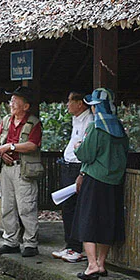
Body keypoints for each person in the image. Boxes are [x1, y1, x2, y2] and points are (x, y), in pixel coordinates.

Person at [72, 88, 129, 280]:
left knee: (87, 221)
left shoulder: (96, 128)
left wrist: (78, 147)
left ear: (98, 107)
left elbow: (86, 155)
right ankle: (102, 264)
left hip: (95, 180)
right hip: (114, 182)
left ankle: (91, 265)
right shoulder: (120, 129)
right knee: (107, 222)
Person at [0, 86, 43, 257]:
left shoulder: (33, 122)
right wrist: (1, 150)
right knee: (7, 206)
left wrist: (11, 146)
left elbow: (33, 145)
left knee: (26, 207)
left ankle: (30, 243)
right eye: (11, 100)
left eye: (15, 101)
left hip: (24, 170)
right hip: (7, 168)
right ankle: (11, 241)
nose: (11, 103)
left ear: (26, 106)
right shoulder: (6, 120)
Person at [52, 91, 93, 264]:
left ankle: (77, 248)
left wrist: (81, 173)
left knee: (75, 207)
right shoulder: (77, 119)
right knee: (67, 207)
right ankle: (70, 245)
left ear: (80, 103)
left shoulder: (89, 121)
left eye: (70, 101)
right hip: (68, 165)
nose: (67, 104)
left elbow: (84, 148)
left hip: (78, 167)